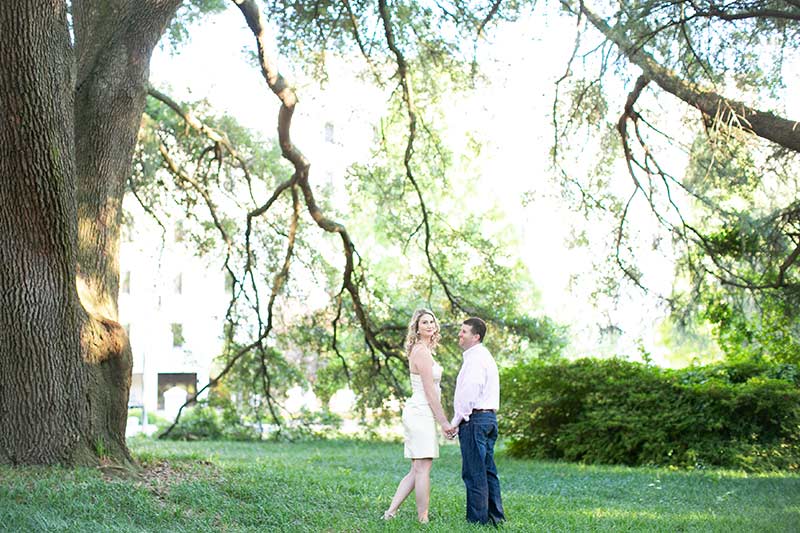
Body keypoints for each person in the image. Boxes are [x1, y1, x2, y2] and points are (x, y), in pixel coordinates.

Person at [383, 309, 454, 523]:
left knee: (417, 469)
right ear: (417, 327)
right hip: (420, 411)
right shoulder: (421, 351)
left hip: (422, 412)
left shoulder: (425, 349)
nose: (430, 325)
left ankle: (390, 512)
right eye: (424, 322)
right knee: (422, 468)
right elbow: (430, 391)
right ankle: (423, 519)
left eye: (432, 321)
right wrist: (443, 421)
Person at [445, 317, 506, 525]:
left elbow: (470, 392)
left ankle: (477, 522)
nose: (460, 335)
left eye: (464, 331)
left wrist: (455, 421)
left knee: (474, 472)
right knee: (488, 470)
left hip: (475, 420)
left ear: (476, 336)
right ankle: (495, 518)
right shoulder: (483, 356)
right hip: (488, 419)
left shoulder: (475, 358)